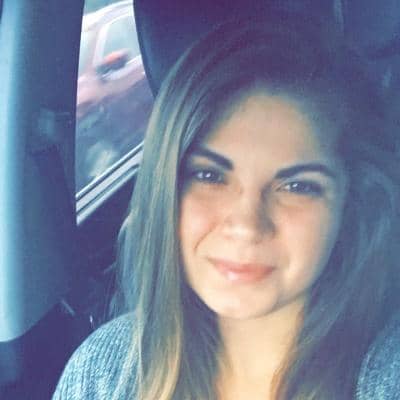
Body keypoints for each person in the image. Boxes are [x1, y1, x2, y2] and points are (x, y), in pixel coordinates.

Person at [52, 11, 400, 400]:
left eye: (297, 186)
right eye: (210, 176)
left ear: (350, 207)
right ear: (166, 188)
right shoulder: (103, 373)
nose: (247, 225)